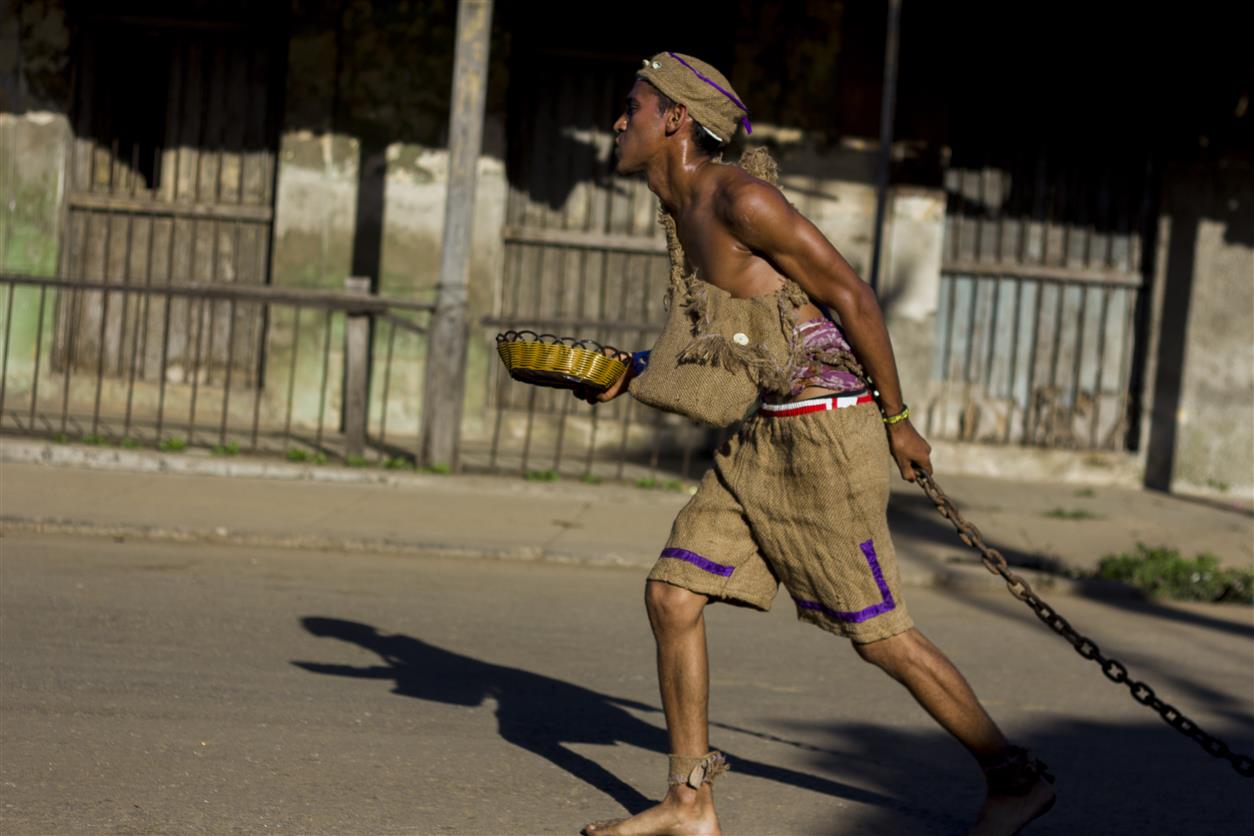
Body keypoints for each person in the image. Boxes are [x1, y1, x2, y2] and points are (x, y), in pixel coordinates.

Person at [576, 53, 1056, 836]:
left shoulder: (742, 198)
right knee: (672, 595)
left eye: (631, 105)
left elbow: (852, 295)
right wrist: (627, 371)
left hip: (828, 441)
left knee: (881, 637)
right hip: (762, 437)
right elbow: (729, 342)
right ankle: (690, 802)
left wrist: (898, 421)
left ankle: (1015, 779)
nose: (618, 120)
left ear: (675, 120)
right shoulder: (679, 208)